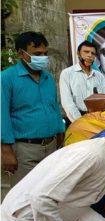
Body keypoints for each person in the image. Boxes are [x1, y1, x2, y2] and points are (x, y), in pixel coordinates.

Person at [1, 31, 65, 186]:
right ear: (20, 53)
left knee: (47, 194)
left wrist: (60, 134)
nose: (42, 58)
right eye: (37, 53)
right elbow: (2, 115)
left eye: (45, 53)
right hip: (24, 150)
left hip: (51, 146)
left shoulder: (47, 77)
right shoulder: (6, 78)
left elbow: (54, 107)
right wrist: (6, 151)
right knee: (24, 197)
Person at [59, 40, 105, 124]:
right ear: (78, 53)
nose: (90, 55)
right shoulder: (67, 73)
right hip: (75, 120)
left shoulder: (99, 76)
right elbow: (67, 103)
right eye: (86, 52)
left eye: (93, 53)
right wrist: (80, 122)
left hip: (97, 120)